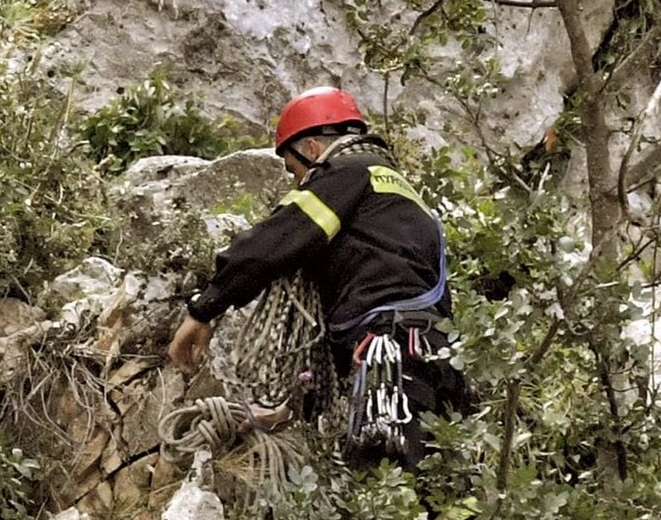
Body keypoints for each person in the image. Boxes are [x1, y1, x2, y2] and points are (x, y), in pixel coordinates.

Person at [166, 86, 468, 471]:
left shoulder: (346, 173)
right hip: (434, 360)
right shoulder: (400, 197)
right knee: (442, 492)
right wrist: (294, 407)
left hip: (391, 358)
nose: (297, 185)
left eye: (294, 171)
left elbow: (275, 241)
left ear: (310, 150)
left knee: (384, 484)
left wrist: (204, 309)